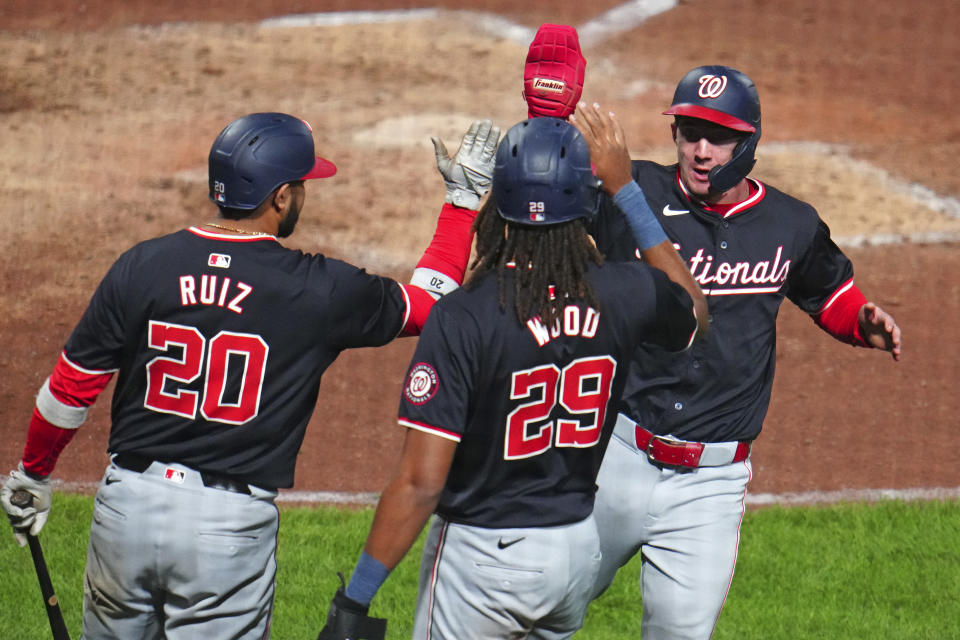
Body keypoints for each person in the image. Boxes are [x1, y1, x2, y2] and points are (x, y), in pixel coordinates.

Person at [0, 111, 501, 639]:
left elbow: (70, 385)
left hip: (126, 508)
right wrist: (462, 204)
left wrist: (33, 474)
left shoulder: (141, 265)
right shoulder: (318, 289)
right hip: (226, 529)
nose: (305, 195)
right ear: (280, 197)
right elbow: (431, 306)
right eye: (302, 185)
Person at [316, 115, 708, 640]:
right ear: (589, 204)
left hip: (481, 557)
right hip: (573, 553)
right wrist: (628, 192)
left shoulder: (467, 314)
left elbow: (420, 482)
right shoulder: (629, 291)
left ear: (497, 207)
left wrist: (355, 598)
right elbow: (696, 312)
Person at [569, 66, 902, 639]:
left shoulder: (789, 224)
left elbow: (830, 293)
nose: (700, 151)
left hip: (710, 484)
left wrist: (861, 321)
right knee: (547, 610)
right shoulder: (634, 194)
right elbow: (544, 204)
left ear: (748, 141)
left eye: (717, 137)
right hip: (615, 455)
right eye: (689, 132)